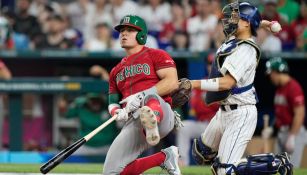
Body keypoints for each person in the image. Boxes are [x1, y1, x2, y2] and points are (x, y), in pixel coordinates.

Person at [189, 2, 293, 175]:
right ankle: (229, 162)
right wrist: (264, 23)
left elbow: (227, 83)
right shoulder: (234, 39)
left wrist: (193, 83)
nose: (230, 20)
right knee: (201, 153)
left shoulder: (246, 50)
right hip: (224, 112)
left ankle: (275, 164)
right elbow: (251, 24)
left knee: (224, 171)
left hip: (240, 114)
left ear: (246, 23)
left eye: (235, 17)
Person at [103, 15, 181, 174]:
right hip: (133, 120)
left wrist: (140, 96)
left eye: (130, 30)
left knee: (148, 98)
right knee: (111, 172)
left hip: (161, 112)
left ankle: (152, 122)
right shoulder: (115, 71)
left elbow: (172, 82)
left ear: (141, 34)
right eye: (122, 31)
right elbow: (112, 101)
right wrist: (116, 111)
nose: (124, 33)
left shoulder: (156, 54)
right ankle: (164, 157)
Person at [176, 54, 219, 166]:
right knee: (183, 127)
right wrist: (208, 103)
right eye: (210, 64)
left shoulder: (224, 83)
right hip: (203, 124)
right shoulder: (201, 83)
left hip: (218, 125)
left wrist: (206, 103)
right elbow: (196, 107)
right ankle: (182, 163)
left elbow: (219, 107)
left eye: (214, 64)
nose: (212, 67)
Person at [265, 57, 306, 168]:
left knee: (290, 169)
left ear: (277, 72)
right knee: (277, 168)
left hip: (294, 132)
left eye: (271, 73)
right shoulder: (279, 88)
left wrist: (292, 136)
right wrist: (272, 128)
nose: (270, 77)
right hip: (281, 133)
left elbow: (300, 113)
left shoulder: (294, 87)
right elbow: (279, 112)